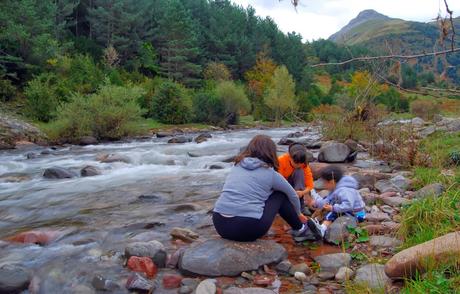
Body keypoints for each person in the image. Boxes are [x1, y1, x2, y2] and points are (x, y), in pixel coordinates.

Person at [213, 135, 312, 242]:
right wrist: (298, 214)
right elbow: (293, 195)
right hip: (248, 228)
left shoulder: (236, 166)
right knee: (280, 194)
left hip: (220, 224)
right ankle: (300, 229)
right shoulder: (270, 174)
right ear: (271, 153)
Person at [305, 165, 366, 240]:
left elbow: (349, 205)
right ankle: (315, 221)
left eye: (325, 183)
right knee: (330, 206)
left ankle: (322, 229)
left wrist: (333, 208)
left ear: (332, 182)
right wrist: (316, 203)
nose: (324, 185)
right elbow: (327, 200)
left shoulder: (345, 190)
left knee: (333, 212)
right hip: (348, 210)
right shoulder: (336, 187)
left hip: (357, 214)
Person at [278, 143, 314, 213]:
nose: (298, 165)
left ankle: (300, 207)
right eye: (296, 163)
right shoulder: (281, 160)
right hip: (282, 186)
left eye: (301, 163)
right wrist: (290, 191)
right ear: (290, 157)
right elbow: (278, 181)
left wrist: (302, 192)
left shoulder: (304, 165)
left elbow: (310, 185)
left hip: (296, 190)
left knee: (299, 171)